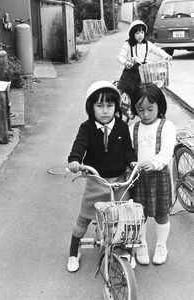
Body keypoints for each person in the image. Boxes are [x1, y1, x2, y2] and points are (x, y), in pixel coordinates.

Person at [67, 80, 137, 272]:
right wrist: (74, 160)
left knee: (123, 217)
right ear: (91, 107)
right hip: (96, 180)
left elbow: (129, 150)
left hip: (120, 181)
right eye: (100, 106)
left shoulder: (122, 126)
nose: (105, 110)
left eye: (109, 105)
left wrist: (132, 162)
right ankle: (74, 251)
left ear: (115, 106)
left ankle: (123, 249)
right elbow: (79, 146)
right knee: (84, 217)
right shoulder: (87, 128)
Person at [129, 83, 176, 265]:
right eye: (140, 110)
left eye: (150, 109)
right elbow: (129, 153)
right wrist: (130, 163)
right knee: (140, 215)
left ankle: (161, 245)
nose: (145, 114)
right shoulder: (132, 128)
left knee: (161, 214)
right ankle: (141, 244)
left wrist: (154, 163)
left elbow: (166, 153)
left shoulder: (166, 126)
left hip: (159, 177)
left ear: (160, 106)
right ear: (135, 109)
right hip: (138, 178)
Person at [117, 19, 171, 101]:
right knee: (121, 89)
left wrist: (166, 55)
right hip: (130, 70)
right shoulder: (128, 44)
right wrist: (125, 62)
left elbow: (157, 50)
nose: (140, 35)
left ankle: (136, 107)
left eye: (142, 33)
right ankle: (116, 103)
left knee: (141, 92)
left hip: (144, 71)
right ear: (132, 34)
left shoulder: (147, 44)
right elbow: (120, 56)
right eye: (137, 33)